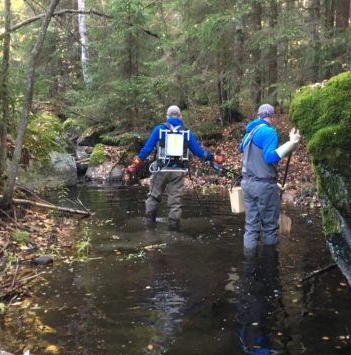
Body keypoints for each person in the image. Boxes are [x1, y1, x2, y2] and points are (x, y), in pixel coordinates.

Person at [126, 105, 224, 231]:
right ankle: (174, 231)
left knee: (154, 197)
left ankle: (149, 228)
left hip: (161, 170)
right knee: (175, 203)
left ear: (167, 117)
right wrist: (214, 158)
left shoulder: (159, 130)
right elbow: (199, 152)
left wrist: (134, 165)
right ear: (180, 116)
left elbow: (146, 150)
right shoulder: (186, 133)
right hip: (178, 172)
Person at [239, 104, 300, 250]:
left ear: (258, 115)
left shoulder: (249, 132)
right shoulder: (268, 132)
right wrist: (291, 143)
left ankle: (249, 267)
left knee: (251, 227)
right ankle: (269, 266)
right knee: (270, 227)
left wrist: (274, 182)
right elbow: (269, 157)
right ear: (271, 116)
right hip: (263, 187)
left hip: (247, 184)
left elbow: (242, 149)